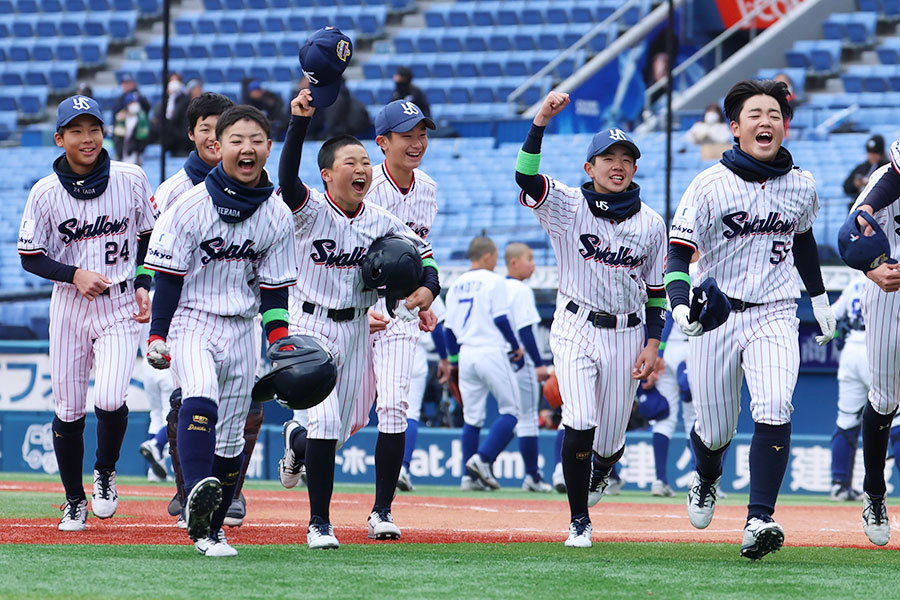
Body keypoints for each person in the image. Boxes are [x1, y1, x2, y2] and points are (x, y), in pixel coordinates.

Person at [666, 79, 835, 560]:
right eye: (755, 114)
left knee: (776, 404)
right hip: (717, 314)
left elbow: (803, 239)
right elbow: (678, 252)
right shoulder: (708, 183)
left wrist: (819, 298)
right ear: (735, 127)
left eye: (774, 114)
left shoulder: (802, 184)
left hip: (775, 311)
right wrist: (679, 304)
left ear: (785, 126)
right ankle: (707, 475)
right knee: (716, 430)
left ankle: (759, 518)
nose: (766, 121)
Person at [276, 86, 438, 550]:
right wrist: (299, 122)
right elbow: (287, 179)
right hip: (310, 325)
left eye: (365, 162)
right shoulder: (308, 209)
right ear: (327, 175)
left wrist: (428, 290)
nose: (362, 169)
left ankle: (297, 443)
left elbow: (425, 258)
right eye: (351, 163)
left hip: (356, 328)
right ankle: (319, 523)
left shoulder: (380, 220)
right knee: (328, 423)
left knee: (345, 426)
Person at [144, 104, 299, 557]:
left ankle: (211, 531)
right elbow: (168, 279)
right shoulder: (188, 206)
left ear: (268, 148)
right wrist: (157, 334)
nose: (246, 148)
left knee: (231, 436)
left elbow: (273, 290)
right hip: (191, 318)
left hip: (243, 327)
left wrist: (279, 339)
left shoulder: (277, 214)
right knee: (200, 394)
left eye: (256, 140)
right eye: (236, 140)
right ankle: (195, 495)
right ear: (219, 146)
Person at [515, 93, 667, 548]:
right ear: (590, 167)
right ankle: (579, 520)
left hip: (627, 331)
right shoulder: (567, 205)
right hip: (575, 323)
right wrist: (540, 121)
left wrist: (654, 343)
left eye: (626, 159)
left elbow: (656, 291)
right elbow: (525, 176)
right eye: (608, 159)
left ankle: (602, 467)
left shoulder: (652, 223)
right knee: (579, 418)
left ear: (635, 168)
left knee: (611, 439)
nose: (618, 166)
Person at [17, 95, 158, 531]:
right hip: (70, 306)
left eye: (93, 128)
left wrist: (143, 282)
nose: (87, 138)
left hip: (119, 302)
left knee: (111, 398)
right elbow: (29, 255)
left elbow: (149, 237)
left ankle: (105, 472)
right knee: (68, 408)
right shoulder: (44, 192)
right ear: (59, 139)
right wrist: (74, 274)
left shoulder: (131, 177)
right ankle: (74, 500)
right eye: (76, 131)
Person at [346, 98, 437, 531]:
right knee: (350, 418)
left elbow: (422, 251)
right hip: (355, 310)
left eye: (422, 134)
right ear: (382, 142)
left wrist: (427, 291)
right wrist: (358, 310)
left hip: (399, 314)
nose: (416, 142)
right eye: (406, 136)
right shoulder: (364, 185)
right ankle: (299, 445)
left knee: (394, 405)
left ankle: (381, 511)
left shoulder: (428, 188)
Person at [838, 137, 900, 547]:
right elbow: (849, 237)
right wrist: (872, 267)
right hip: (889, 288)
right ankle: (875, 492)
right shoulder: (884, 181)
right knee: (884, 398)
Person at [444, 236, 523, 492]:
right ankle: (483, 458)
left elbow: (448, 331)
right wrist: (515, 345)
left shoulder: (456, 285)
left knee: (472, 418)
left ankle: (469, 477)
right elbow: (500, 319)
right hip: (490, 349)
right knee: (512, 411)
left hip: (466, 353)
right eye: (496, 257)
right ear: (487, 256)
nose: (496, 262)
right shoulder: (494, 280)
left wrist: (453, 361)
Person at [504, 242, 553, 492]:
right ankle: (531, 475)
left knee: (486, 415)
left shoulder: (497, 287)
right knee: (526, 418)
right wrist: (539, 363)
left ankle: (478, 464)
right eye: (529, 258)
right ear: (514, 262)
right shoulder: (520, 290)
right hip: (520, 360)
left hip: (499, 358)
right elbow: (525, 331)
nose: (533, 264)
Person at [397, 294, 449, 492]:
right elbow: (437, 328)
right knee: (410, 413)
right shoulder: (426, 283)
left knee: (384, 412)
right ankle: (401, 468)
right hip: (414, 350)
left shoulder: (382, 277)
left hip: (382, 347)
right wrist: (445, 359)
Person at [828, 274, 869, 502]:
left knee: (846, 421)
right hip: (879, 349)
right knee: (896, 421)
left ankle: (839, 485)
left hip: (851, 349)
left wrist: (837, 333)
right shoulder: (893, 277)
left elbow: (832, 316)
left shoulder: (855, 282)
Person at [843, 135, 888, 201]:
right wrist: (855, 184)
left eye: (875, 153)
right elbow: (846, 186)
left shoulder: (886, 167)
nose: (872, 156)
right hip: (860, 203)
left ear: (881, 154)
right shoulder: (861, 168)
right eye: (869, 153)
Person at [113, 92, 150, 165]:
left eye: (136, 102)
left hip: (135, 154)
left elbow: (143, 138)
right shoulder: (121, 117)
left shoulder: (142, 118)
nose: (135, 105)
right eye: (132, 102)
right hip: (122, 154)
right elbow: (117, 137)